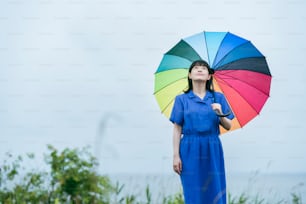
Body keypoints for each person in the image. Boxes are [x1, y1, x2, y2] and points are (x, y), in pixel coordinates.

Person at [170, 60, 234, 204]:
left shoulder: (218, 97)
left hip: (212, 145)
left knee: (215, 188)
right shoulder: (182, 99)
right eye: (196, 68)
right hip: (189, 147)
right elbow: (177, 128)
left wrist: (220, 112)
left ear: (209, 76)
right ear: (189, 75)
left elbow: (228, 125)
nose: (200, 70)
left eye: (204, 68)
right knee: (193, 189)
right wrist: (175, 156)